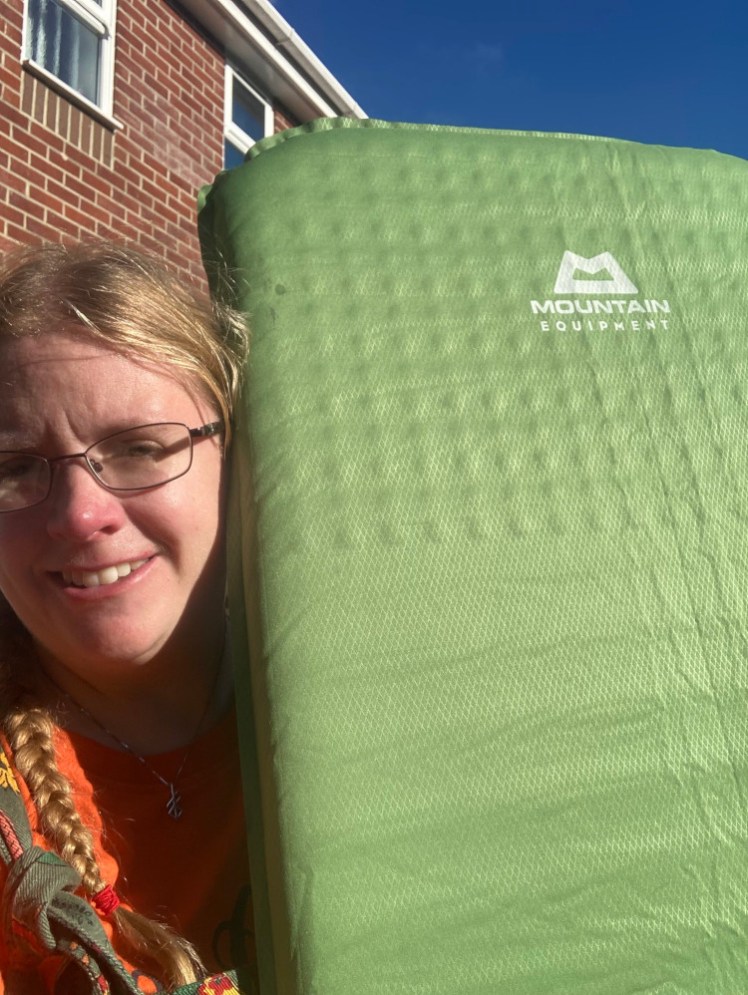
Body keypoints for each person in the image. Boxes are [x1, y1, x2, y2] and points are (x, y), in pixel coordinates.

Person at [0, 242, 254, 992]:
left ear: (236, 459)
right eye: (14, 468)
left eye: (141, 448)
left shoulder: (371, 701)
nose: (80, 516)